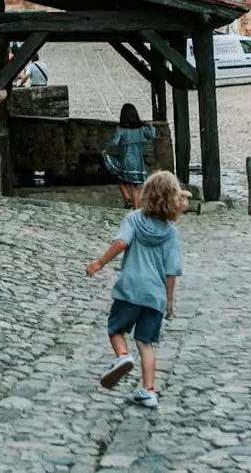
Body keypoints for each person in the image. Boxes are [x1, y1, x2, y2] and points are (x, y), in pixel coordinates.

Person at [86, 170, 187, 409]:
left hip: (130, 289)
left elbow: (121, 243)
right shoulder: (171, 234)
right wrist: (169, 301)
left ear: (146, 195)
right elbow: (171, 270)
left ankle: (122, 356)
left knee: (116, 329)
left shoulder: (133, 219)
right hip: (155, 296)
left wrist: (99, 263)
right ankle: (148, 391)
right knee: (146, 342)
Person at [104, 104, 155, 209]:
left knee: (120, 180)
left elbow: (115, 142)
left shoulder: (121, 129)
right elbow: (152, 135)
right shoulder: (141, 128)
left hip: (126, 160)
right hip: (138, 161)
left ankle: (128, 200)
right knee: (134, 186)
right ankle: (136, 208)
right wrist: (150, 125)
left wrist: (108, 150)